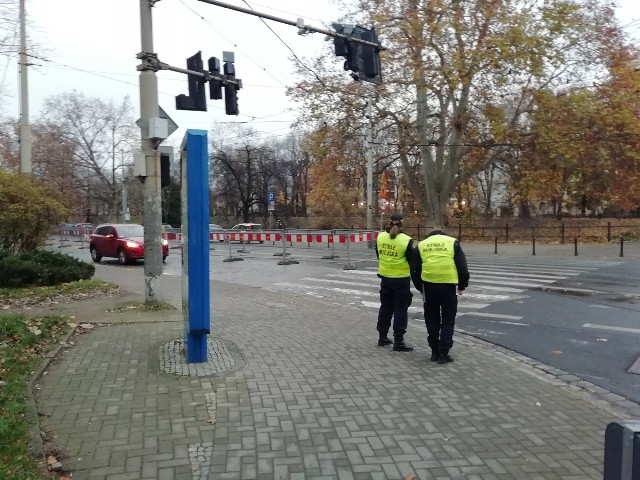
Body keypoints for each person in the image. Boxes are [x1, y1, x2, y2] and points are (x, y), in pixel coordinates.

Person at [411, 225, 469, 364]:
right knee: (448, 319)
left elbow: (414, 270)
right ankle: (444, 352)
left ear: (429, 234)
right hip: (448, 286)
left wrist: (421, 287)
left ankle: (434, 351)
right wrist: (462, 285)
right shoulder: (452, 242)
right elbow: (462, 267)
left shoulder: (421, 245)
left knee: (431, 318)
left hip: (429, 286)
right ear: (443, 233)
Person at [375, 212, 420, 352]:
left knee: (385, 308)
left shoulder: (381, 236)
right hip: (401, 279)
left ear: (389, 222)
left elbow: (378, 254)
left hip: (385, 278)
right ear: (402, 223)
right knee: (400, 309)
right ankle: (398, 341)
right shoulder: (406, 240)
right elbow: (411, 261)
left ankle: (382, 337)